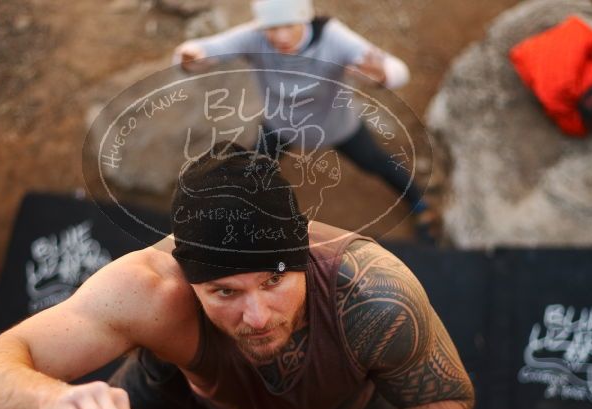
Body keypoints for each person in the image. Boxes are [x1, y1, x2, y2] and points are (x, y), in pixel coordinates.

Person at [0, 143, 474, 409]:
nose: (259, 316)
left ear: (302, 257)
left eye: (273, 281)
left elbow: (447, 400)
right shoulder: (149, 287)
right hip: (185, 395)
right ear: (187, 279)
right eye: (225, 292)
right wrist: (56, 401)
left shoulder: (372, 292)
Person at [173, 0, 437, 242]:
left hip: (335, 127)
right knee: (253, 172)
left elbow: (396, 69)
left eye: (289, 25)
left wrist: (382, 76)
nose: (281, 37)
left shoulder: (333, 37)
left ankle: (418, 203)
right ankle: (235, 221)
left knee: (376, 162)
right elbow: (204, 50)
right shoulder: (255, 36)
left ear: (305, 19)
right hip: (281, 126)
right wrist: (191, 57)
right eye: (272, 28)